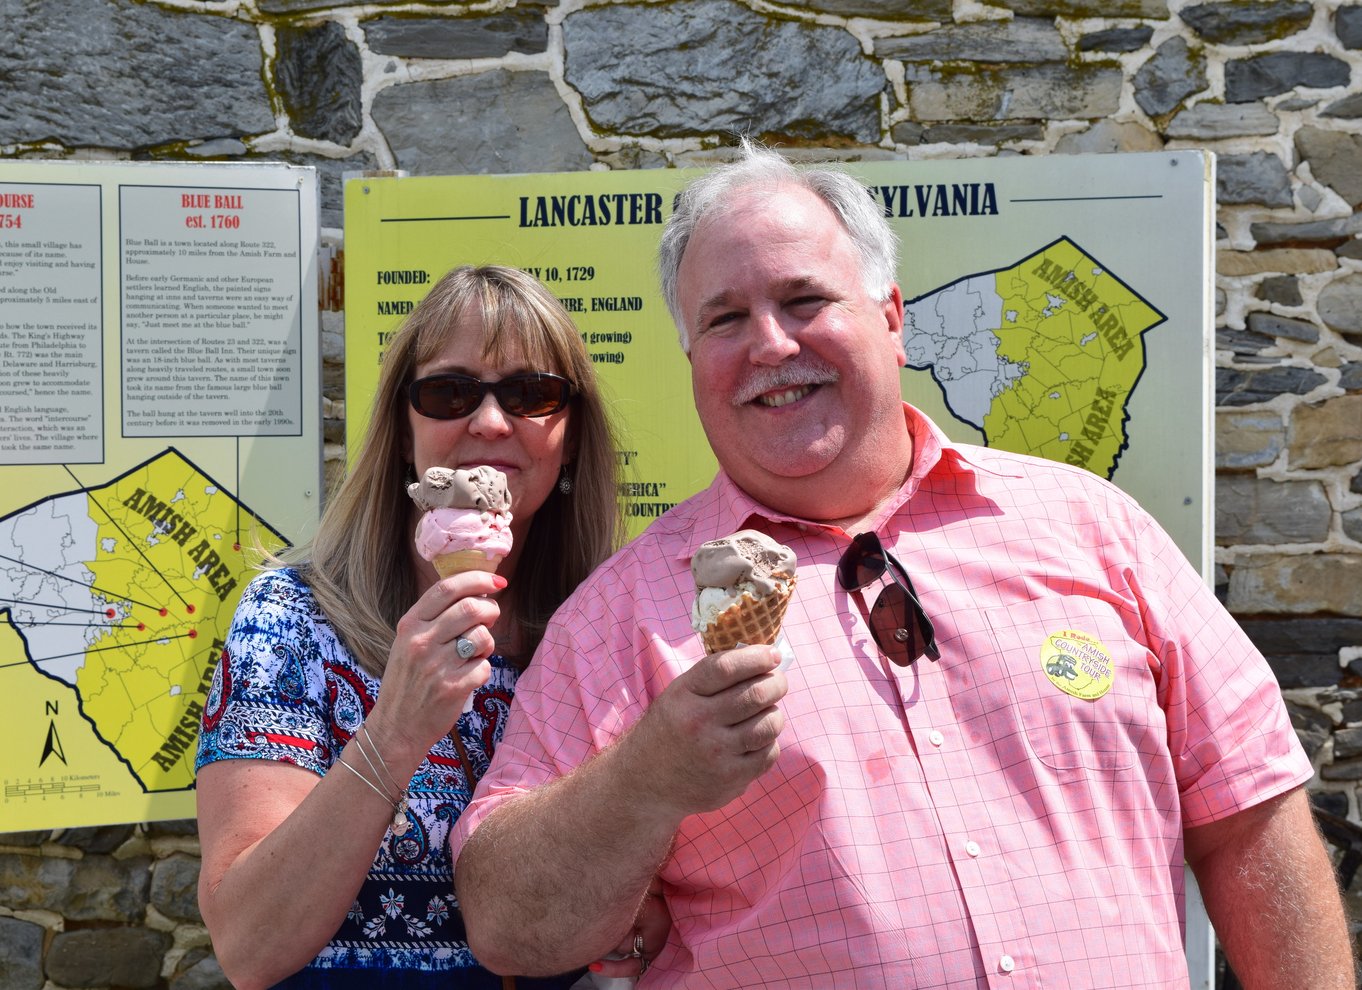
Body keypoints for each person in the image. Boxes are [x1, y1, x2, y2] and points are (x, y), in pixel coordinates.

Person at [449, 145, 1355, 988]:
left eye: (804, 300)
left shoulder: (1090, 526)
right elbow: (509, 923)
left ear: (891, 318)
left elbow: (1249, 819)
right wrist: (645, 780)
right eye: (725, 318)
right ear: (692, 359)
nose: (770, 343)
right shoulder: (622, 616)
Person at [195, 265, 664, 989]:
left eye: (530, 393)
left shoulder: (604, 632)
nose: (488, 422)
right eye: (448, 391)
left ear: (570, 439)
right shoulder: (292, 622)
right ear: (402, 430)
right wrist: (396, 731)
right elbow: (248, 946)